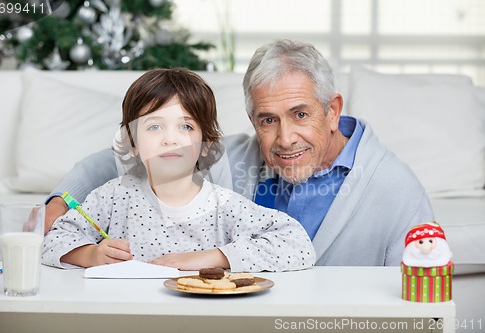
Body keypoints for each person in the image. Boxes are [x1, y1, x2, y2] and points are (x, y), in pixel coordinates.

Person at [45, 39, 434, 266]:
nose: (285, 139)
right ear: (251, 120)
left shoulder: (393, 186)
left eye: (300, 114)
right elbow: (120, 159)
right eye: (267, 120)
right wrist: (60, 202)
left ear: (332, 110)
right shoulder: (221, 156)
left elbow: (425, 302)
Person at [42, 68, 316, 272]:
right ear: (132, 142)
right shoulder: (113, 197)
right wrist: (90, 254)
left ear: (205, 144)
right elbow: (51, 241)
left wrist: (213, 257)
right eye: (154, 126)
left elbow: (298, 245)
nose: (169, 139)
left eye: (185, 126)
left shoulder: (225, 206)